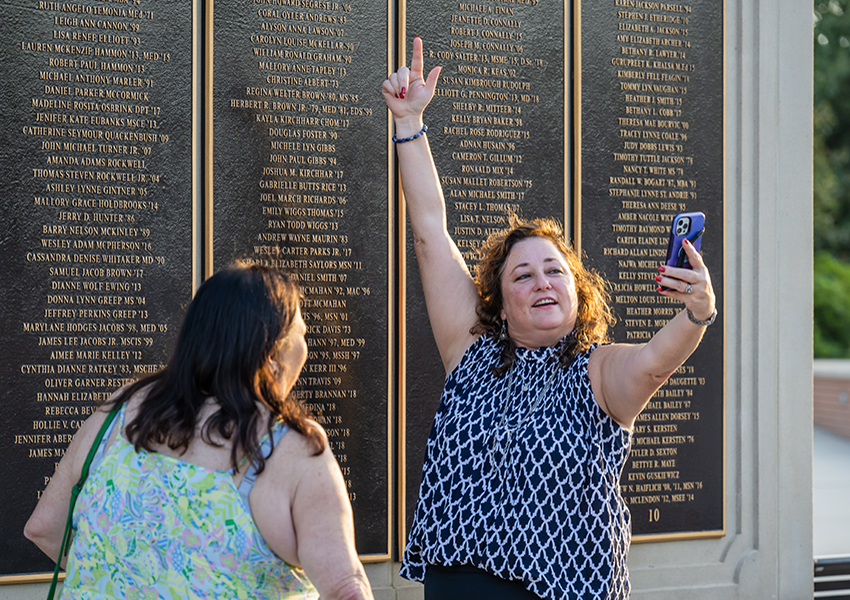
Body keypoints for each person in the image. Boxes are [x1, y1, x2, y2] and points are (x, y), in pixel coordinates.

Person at [382, 38, 717, 600]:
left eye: (554, 271)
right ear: (498, 297)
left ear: (577, 289)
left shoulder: (600, 372)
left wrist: (698, 311)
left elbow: (656, 363)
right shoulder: (471, 351)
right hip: (462, 581)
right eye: (522, 275)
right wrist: (410, 123)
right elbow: (430, 230)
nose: (541, 282)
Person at [25, 262, 374, 600]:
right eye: (303, 335)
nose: (307, 348)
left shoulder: (120, 410)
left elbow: (44, 528)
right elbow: (346, 590)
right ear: (273, 354)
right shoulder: (289, 447)